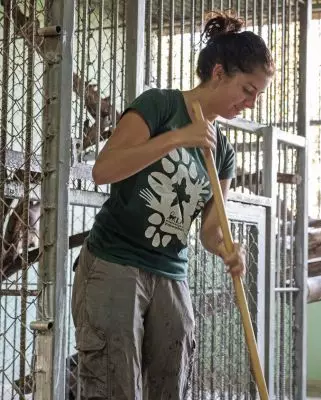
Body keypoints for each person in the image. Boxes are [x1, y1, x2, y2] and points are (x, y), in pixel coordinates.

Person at [71, 11, 274, 400]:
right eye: (247, 89)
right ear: (218, 73)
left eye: (257, 95)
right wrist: (178, 138)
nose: (250, 103)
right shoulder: (160, 106)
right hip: (115, 261)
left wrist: (229, 250)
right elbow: (104, 170)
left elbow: (211, 230)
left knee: (171, 384)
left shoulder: (224, 153)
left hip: (170, 272)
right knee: (115, 386)